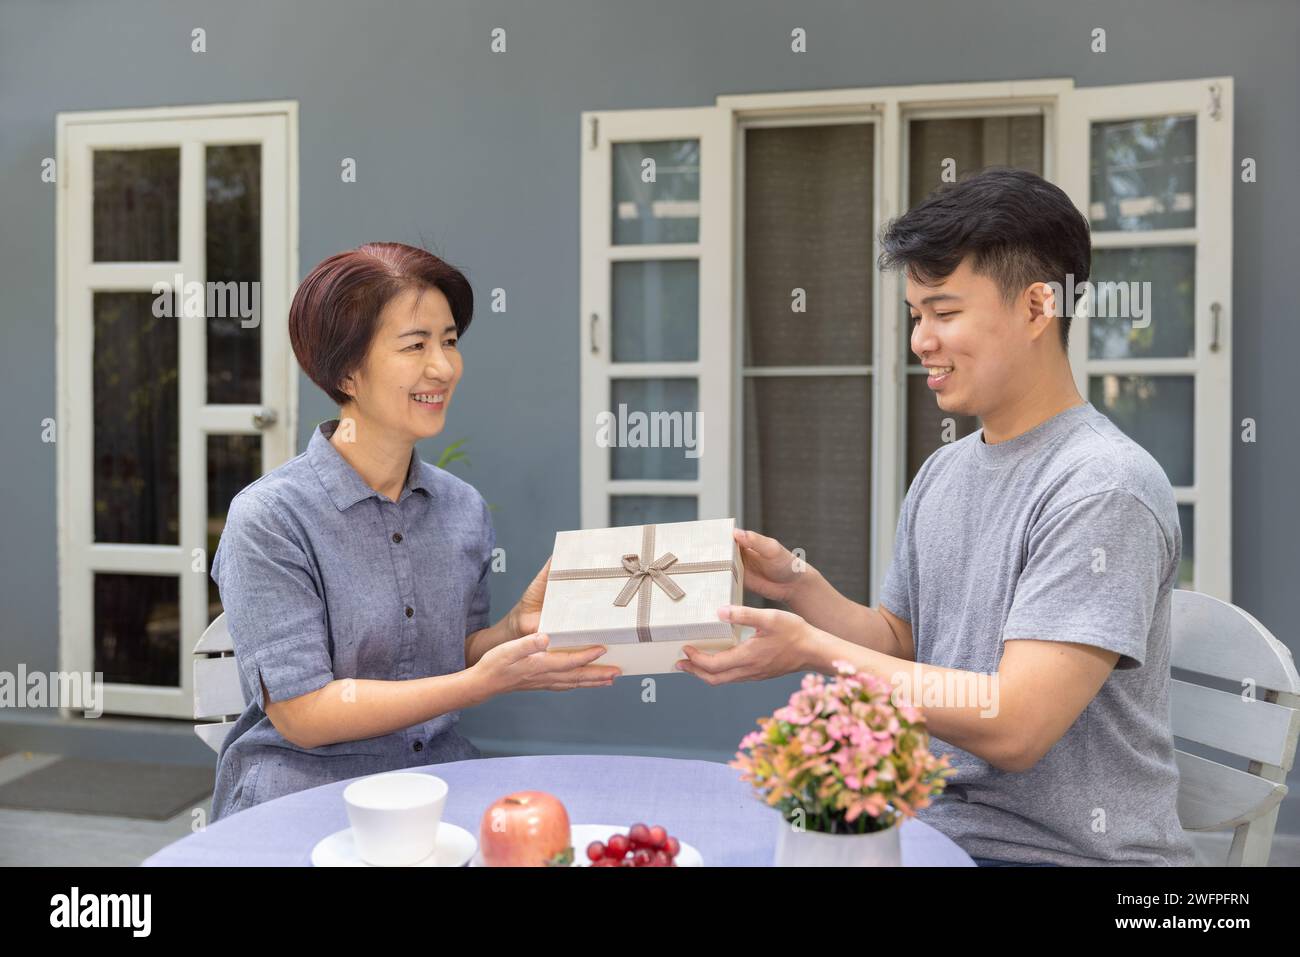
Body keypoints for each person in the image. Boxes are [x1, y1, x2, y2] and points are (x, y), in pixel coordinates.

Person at [675, 168, 1196, 867]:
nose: (921, 341)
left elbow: (1016, 724)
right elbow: (900, 644)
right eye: (915, 315)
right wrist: (799, 587)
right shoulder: (945, 472)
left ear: (1039, 307)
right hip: (936, 837)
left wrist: (811, 649)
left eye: (945, 313)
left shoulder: (1103, 485)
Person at [209, 242, 620, 821]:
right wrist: (479, 685)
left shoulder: (462, 508)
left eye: (449, 341)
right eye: (415, 345)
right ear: (346, 371)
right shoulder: (272, 518)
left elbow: (447, 655)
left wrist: (510, 633)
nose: (443, 367)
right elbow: (304, 713)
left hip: (436, 787)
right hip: (301, 798)